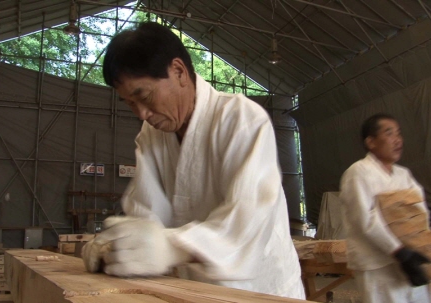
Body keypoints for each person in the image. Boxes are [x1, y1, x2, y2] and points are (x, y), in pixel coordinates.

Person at [81, 22, 305, 299]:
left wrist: (171, 247)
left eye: (145, 96)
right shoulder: (151, 136)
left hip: (259, 288)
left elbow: (246, 218)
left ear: (178, 72)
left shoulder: (241, 119)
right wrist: (117, 246)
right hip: (192, 289)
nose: (141, 113)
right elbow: (147, 214)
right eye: (129, 103)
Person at [339, 113, 431, 303]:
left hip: (409, 260)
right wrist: (398, 251)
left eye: (399, 133)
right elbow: (366, 219)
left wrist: (429, 246)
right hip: (377, 264)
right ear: (371, 142)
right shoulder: (359, 172)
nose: (397, 139)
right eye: (389, 133)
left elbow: (419, 212)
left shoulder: (403, 174)